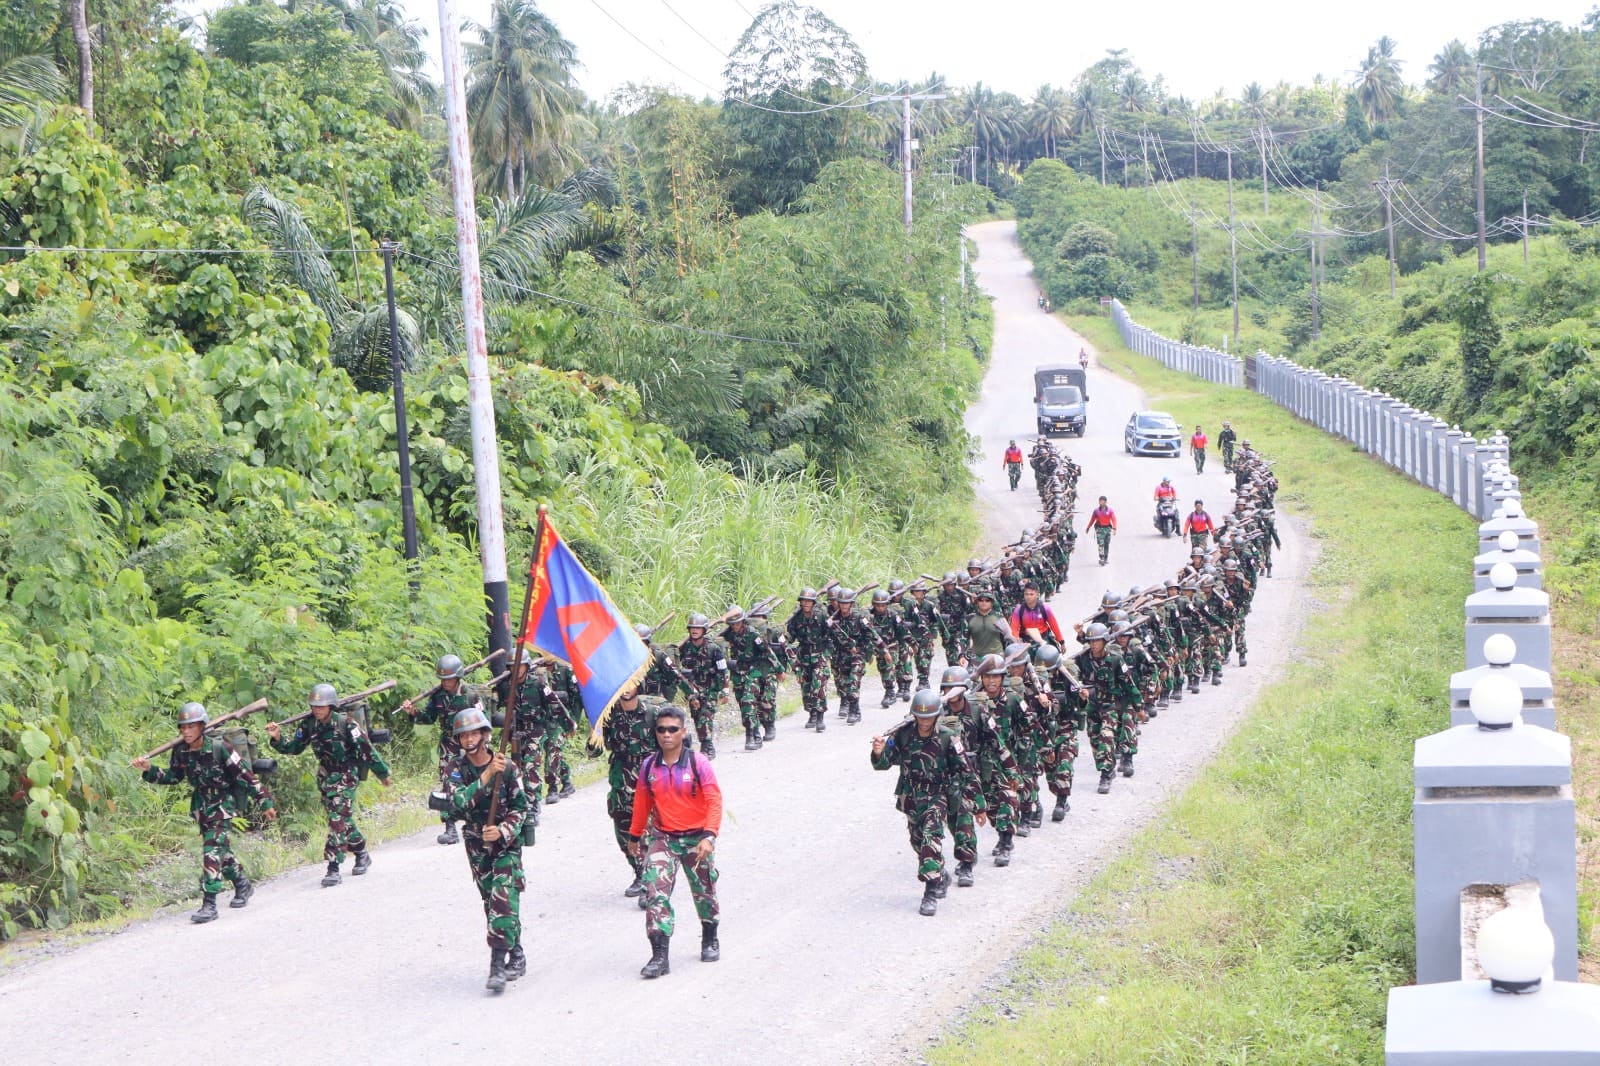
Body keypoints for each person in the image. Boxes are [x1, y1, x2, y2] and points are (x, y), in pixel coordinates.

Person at [134, 702, 278, 923]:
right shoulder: (181, 750)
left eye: (191, 727)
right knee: (220, 850)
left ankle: (209, 903)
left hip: (222, 804)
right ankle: (242, 883)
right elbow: (173, 777)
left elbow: (245, 776)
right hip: (201, 805)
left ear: (202, 726)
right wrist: (149, 770)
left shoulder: (220, 748)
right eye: (183, 727)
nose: (186, 731)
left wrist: (264, 801)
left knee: (211, 851)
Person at [629, 705, 723, 979]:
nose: (666, 735)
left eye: (672, 729)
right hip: (665, 838)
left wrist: (709, 835)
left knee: (704, 890)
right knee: (655, 892)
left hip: (697, 838)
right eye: (661, 730)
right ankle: (660, 956)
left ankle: (709, 937)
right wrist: (635, 836)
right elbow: (642, 803)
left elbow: (714, 800)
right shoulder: (649, 765)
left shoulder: (698, 763)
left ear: (683, 731)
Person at [267, 682, 392, 888]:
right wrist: (278, 738)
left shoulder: (347, 724)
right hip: (325, 777)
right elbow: (294, 748)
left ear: (331, 706)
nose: (317, 710)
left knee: (337, 821)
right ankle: (361, 851)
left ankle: (333, 867)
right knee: (343, 820)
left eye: (322, 706)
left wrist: (383, 774)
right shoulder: (309, 725)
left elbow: (367, 751)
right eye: (314, 706)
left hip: (345, 776)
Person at [872, 689, 982, 916]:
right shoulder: (903, 735)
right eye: (920, 717)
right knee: (918, 842)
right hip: (911, 797)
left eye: (929, 717)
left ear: (937, 715)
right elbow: (883, 764)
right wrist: (878, 752)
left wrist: (979, 806)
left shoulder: (947, 736)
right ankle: (939, 874)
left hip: (937, 796)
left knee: (932, 839)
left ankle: (930, 892)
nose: (924, 721)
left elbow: (967, 771)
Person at [445, 705, 531, 992]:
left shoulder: (507, 767)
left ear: (485, 734)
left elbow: (521, 808)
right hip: (476, 843)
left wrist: (503, 830)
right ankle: (515, 952)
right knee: (490, 902)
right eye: (463, 736)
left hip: (506, 845)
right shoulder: (456, 769)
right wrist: (484, 779)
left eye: (474, 734)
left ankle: (496, 966)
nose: (469, 741)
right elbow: (456, 804)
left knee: (503, 898)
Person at [404, 653, 477, 845]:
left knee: (475, 782)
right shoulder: (438, 697)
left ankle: (475, 823)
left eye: (449, 679)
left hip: (471, 743)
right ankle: (450, 827)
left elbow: (482, 720)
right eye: (443, 679)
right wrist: (413, 713)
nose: (446, 682)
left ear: (458, 677)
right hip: (448, 744)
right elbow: (428, 718)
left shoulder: (470, 695)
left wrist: (480, 744)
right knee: (447, 781)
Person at [598, 681, 661, 903]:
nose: (626, 688)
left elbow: (671, 745)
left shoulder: (653, 713)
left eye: (631, 683)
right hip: (620, 777)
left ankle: (649, 883)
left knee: (647, 830)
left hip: (648, 777)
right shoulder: (608, 714)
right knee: (623, 829)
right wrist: (594, 728)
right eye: (622, 683)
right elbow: (594, 750)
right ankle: (639, 872)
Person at [678, 613, 729, 759]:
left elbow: (723, 669)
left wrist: (725, 689)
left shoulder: (713, 649)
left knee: (705, 716)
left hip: (711, 689)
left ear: (704, 630)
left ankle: (708, 746)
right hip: (692, 690)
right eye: (692, 627)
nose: (694, 630)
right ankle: (704, 743)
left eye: (698, 628)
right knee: (696, 716)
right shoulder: (684, 649)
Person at [722, 606, 772, 752]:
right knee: (744, 706)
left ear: (743, 621)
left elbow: (767, 651)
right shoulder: (727, 635)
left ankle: (752, 736)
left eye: (738, 623)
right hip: (737, 674)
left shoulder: (753, 634)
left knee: (748, 701)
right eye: (732, 624)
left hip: (753, 673)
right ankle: (754, 731)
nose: (735, 626)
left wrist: (779, 669)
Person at [786, 588, 833, 731]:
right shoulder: (796, 618)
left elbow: (831, 634)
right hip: (803, 655)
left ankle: (820, 717)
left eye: (809, 601)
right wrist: (782, 638)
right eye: (803, 601)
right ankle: (811, 713)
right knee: (806, 687)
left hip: (819, 653)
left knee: (818, 686)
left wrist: (827, 654)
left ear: (813, 603)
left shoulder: (822, 615)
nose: (806, 603)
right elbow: (790, 637)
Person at [828, 588, 877, 725]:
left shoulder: (860, 617)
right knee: (844, 685)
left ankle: (854, 711)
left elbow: (871, 634)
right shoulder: (833, 620)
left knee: (853, 682)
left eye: (847, 603)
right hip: (841, 656)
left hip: (857, 655)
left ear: (851, 604)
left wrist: (870, 652)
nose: (844, 606)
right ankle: (854, 708)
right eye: (841, 603)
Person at [964, 589, 1014, 661]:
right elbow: (963, 639)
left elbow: (1009, 636)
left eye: (987, 600)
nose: (984, 602)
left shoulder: (999, 617)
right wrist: (963, 655)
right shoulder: (969, 618)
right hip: (977, 658)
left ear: (992, 603)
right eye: (981, 600)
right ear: (977, 602)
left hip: (997, 657)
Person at [1009, 581, 1063, 647]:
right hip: (1026, 641)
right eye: (1026, 594)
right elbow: (1014, 629)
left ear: (1037, 595)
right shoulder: (1018, 609)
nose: (1028, 597)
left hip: (1044, 639)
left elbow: (1054, 626)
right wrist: (1016, 643)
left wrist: (1062, 642)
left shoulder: (1045, 609)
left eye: (1031, 594)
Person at [1085, 495, 1117, 566]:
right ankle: (1101, 558)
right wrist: (1088, 527)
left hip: (1107, 529)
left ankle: (1105, 557)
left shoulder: (1110, 510)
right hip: (1099, 529)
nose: (1100, 502)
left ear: (1105, 502)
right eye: (1099, 501)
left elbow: (1114, 519)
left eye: (1102, 501)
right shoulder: (1096, 511)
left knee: (1106, 543)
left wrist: (1114, 528)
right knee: (1100, 543)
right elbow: (1092, 520)